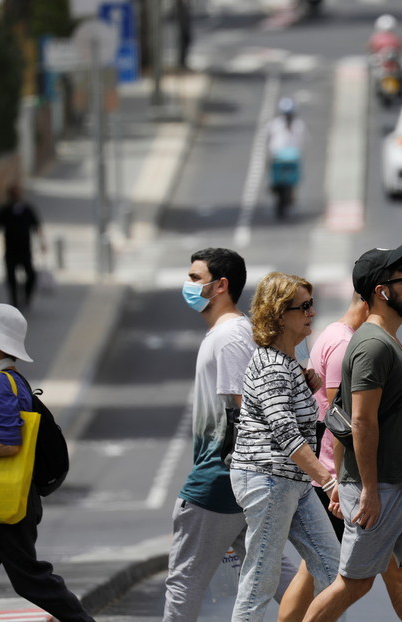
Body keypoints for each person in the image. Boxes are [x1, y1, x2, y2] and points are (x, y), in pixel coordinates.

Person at [303, 240, 402, 622]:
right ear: (382, 291)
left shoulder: (388, 341)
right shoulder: (371, 346)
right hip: (379, 486)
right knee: (354, 583)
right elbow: (362, 421)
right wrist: (368, 490)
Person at [164, 248, 297, 622]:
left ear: (220, 285)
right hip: (238, 476)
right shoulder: (230, 334)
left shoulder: (230, 338)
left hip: (220, 476)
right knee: (271, 573)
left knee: (183, 579)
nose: (187, 285)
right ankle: (324, 614)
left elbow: (248, 408)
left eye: (194, 278)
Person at [0, 303, 92, 622]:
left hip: (7, 502)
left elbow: (10, 443)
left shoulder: (1, 385)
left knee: (30, 580)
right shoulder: (2, 381)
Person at [279, 293, 402, 621]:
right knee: (391, 575)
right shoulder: (347, 345)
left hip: (338, 476)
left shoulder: (335, 335)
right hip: (346, 477)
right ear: (371, 299)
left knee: (316, 573)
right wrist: (342, 482)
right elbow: (347, 419)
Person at [229, 272, 340, 621]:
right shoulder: (272, 367)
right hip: (268, 480)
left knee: (333, 571)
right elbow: (287, 435)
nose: (311, 312)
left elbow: (286, 418)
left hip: (292, 483)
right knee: (260, 582)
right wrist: (330, 479)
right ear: (279, 314)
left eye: (312, 304)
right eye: (303, 306)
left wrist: (304, 387)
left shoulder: (288, 364)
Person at [0, 185, 47, 310]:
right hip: (10, 250)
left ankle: (26, 297)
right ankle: (14, 302)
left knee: (31, 275)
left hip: (25, 250)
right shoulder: (5, 210)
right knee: (11, 278)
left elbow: (37, 227)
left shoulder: (27, 209)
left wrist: (42, 243)